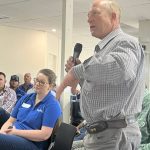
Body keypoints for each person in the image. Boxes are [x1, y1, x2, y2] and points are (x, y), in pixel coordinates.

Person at [56, 0, 145, 149]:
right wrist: (81, 76)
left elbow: (121, 68)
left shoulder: (125, 42)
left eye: (95, 13)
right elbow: (101, 91)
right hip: (104, 134)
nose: (89, 19)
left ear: (113, 17)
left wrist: (77, 71)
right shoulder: (106, 49)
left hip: (113, 135)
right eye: (88, 15)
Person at [0, 69, 62, 150]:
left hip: (33, 143)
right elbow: (10, 120)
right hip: (14, 134)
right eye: (36, 80)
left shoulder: (52, 104)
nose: (37, 84)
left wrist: (14, 132)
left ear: (50, 86)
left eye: (42, 82)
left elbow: (44, 135)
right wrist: (2, 132)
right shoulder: (26, 97)